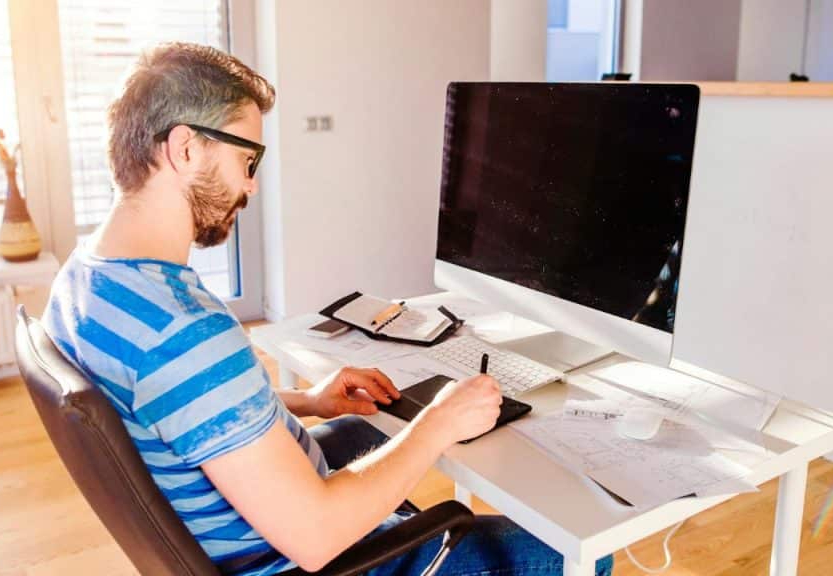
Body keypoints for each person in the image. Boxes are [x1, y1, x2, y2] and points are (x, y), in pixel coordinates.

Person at [43, 42, 612, 576]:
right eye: (249, 160)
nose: (252, 186)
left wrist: (305, 401)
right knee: (582, 554)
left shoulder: (87, 280)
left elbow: (171, 411)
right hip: (305, 553)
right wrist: (437, 425)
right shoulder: (184, 330)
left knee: (360, 432)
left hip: (247, 521)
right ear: (186, 148)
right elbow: (316, 538)